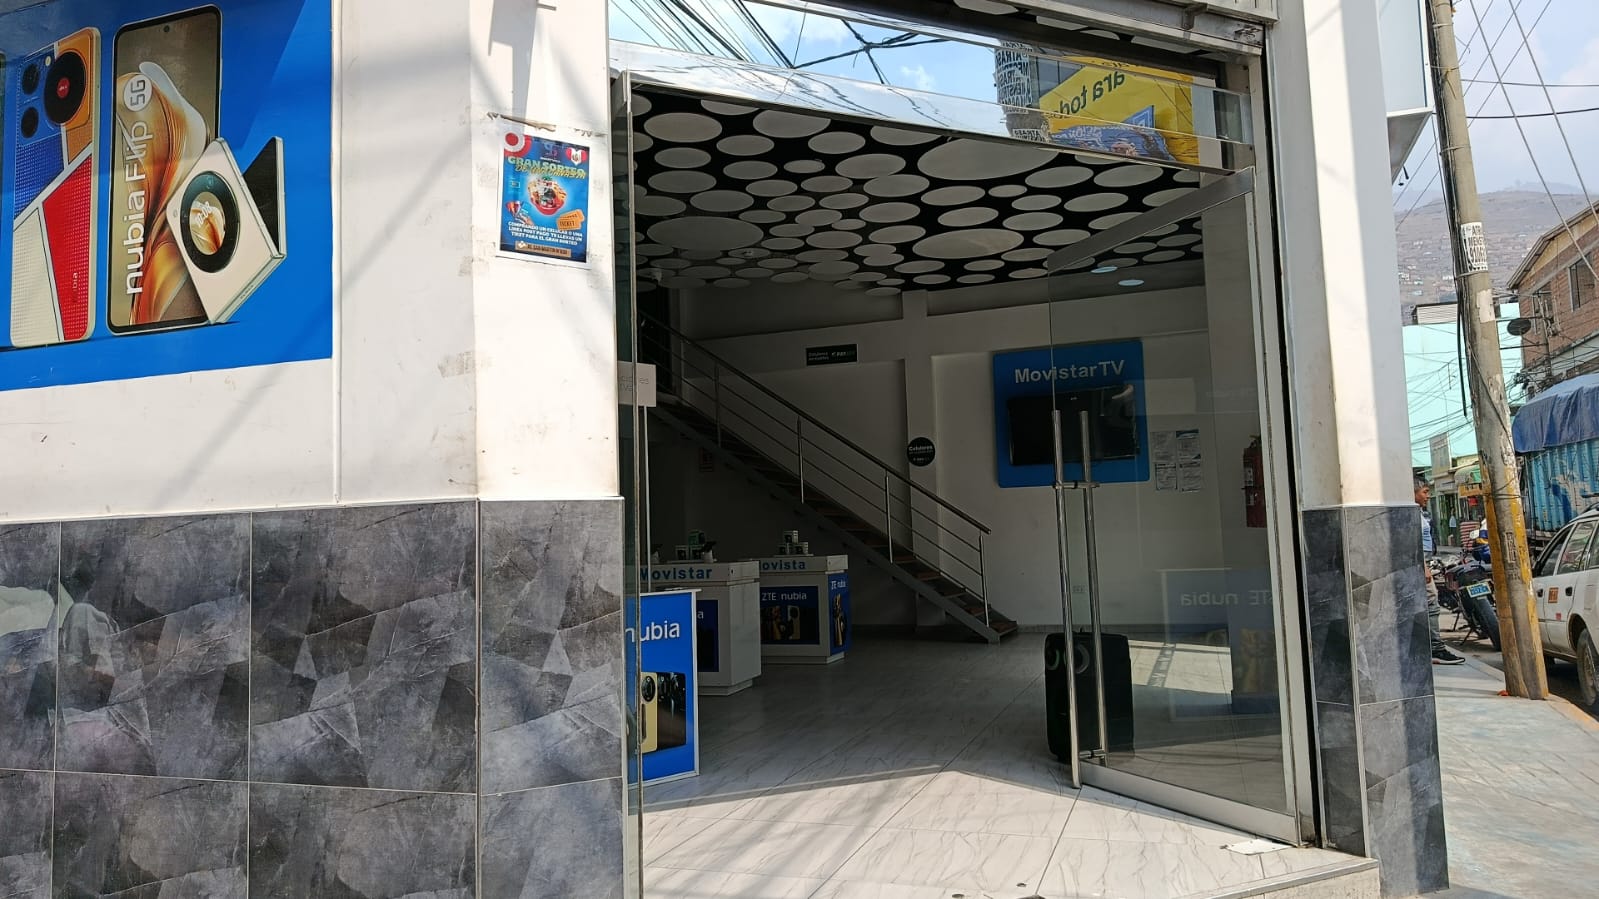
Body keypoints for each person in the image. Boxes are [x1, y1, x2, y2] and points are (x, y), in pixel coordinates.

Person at [1418, 478, 1466, 665]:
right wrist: (1424, 566)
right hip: (1421, 564)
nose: (1427, 496)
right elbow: (1413, 541)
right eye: (1424, 492)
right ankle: (1436, 648)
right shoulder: (1411, 513)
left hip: (1425, 562)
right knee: (1431, 603)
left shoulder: (1419, 512)